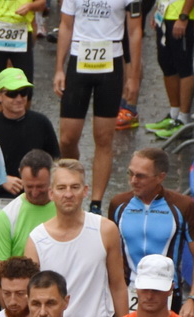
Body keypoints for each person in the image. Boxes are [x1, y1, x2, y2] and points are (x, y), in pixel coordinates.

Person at [52, 0, 140, 211]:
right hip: (78, 62)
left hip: (110, 66)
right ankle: (72, 183)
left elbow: (135, 32)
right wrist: (59, 68)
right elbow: (65, 25)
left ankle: (96, 203)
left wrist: (133, 76)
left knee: (103, 138)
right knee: (67, 138)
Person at [24, 160, 127, 317]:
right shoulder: (36, 239)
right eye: (62, 188)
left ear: (85, 191)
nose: (68, 194)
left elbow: (117, 285)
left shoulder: (106, 230)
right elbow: (32, 296)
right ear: (51, 193)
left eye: (75, 187)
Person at [109, 150, 194, 317]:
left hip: (167, 293)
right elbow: (109, 252)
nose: (133, 181)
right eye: (130, 174)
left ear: (160, 177)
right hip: (127, 292)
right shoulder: (118, 204)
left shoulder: (182, 206)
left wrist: (193, 299)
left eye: (141, 176)